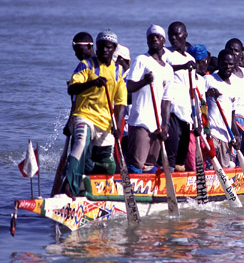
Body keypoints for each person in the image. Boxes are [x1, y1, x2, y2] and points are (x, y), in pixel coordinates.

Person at [63, 29, 127, 198]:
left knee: (108, 165)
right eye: (101, 47)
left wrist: (117, 125)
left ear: (114, 49)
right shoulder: (86, 65)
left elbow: (120, 103)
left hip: (105, 121)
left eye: (108, 47)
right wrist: (92, 83)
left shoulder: (118, 72)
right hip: (84, 115)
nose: (104, 50)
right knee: (81, 144)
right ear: (96, 47)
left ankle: (87, 182)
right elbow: (71, 89)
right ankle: (69, 187)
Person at [126, 25, 173, 174]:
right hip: (140, 120)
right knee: (137, 163)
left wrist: (165, 124)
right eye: (150, 37)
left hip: (157, 123)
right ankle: (130, 190)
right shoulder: (141, 60)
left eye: (157, 36)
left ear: (163, 40)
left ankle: (150, 195)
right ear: (147, 41)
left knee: (150, 164)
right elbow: (129, 86)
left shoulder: (168, 69)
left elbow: (166, 101)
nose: (154, 39)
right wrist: (144, 82)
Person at [164, 21, 203, 172]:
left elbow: (192, 91)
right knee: (171, 151)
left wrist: (197, 119)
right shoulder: (165, 53)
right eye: (170, 35)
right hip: (171, 110)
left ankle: (179, 185)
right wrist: (182, 67)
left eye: (177, 34)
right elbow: (164, 69)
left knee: (182, 154)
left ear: (185, 35)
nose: (173, 38)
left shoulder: (191, 59)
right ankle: (168, 178)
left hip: (186, 112)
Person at [204, 49, 241, 167]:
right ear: (219, 63)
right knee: (209, 169)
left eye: (231, 64)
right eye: (225, 63)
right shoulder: (209, 80)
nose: (228, 67)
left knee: (224, 170)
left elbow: (232, 116)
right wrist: (207, 94)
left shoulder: (234, 87)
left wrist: (236, 135)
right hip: (211, 135)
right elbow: (196, 101)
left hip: (225, 137)